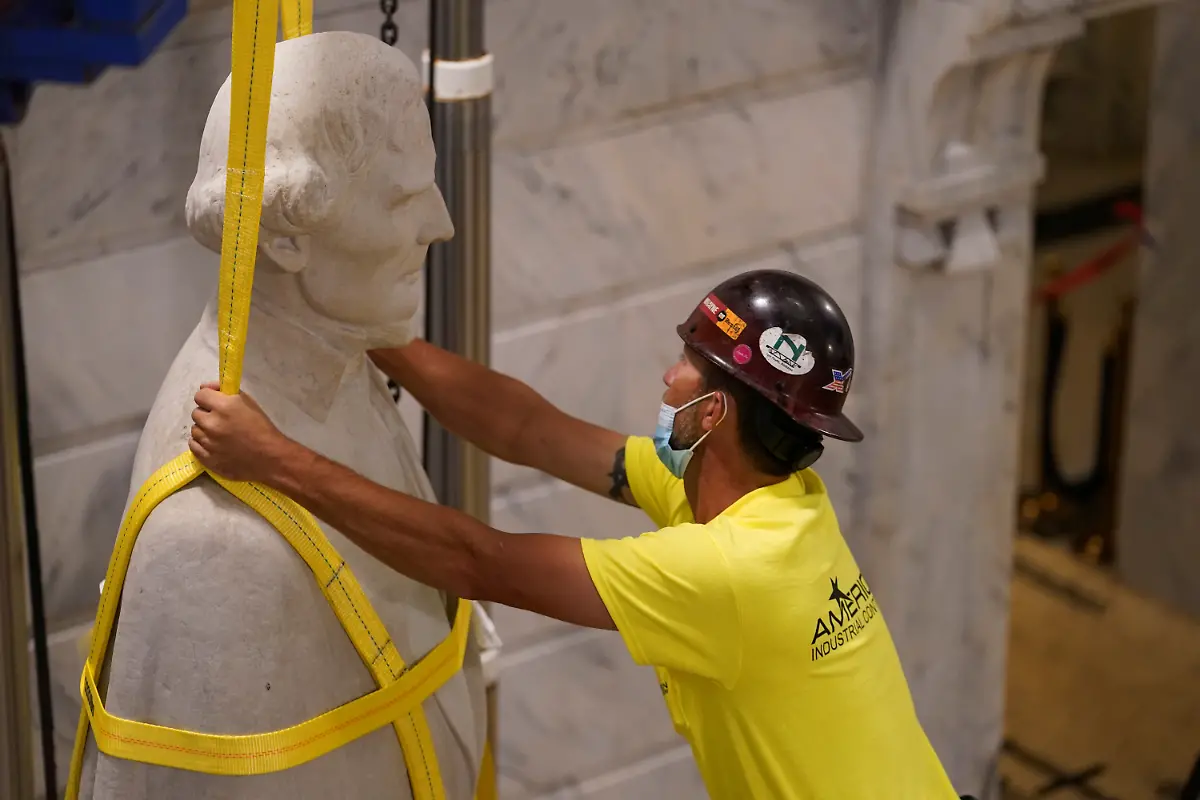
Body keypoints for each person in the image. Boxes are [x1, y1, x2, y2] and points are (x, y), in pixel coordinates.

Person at [189, 269, 961, 799]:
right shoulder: (765, 497)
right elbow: (531, 429)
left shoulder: (730, 571)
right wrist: (360, 331)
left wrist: (275, 459)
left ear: (718, 414)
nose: (668, 379)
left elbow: (476, 560)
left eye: (688, 367)